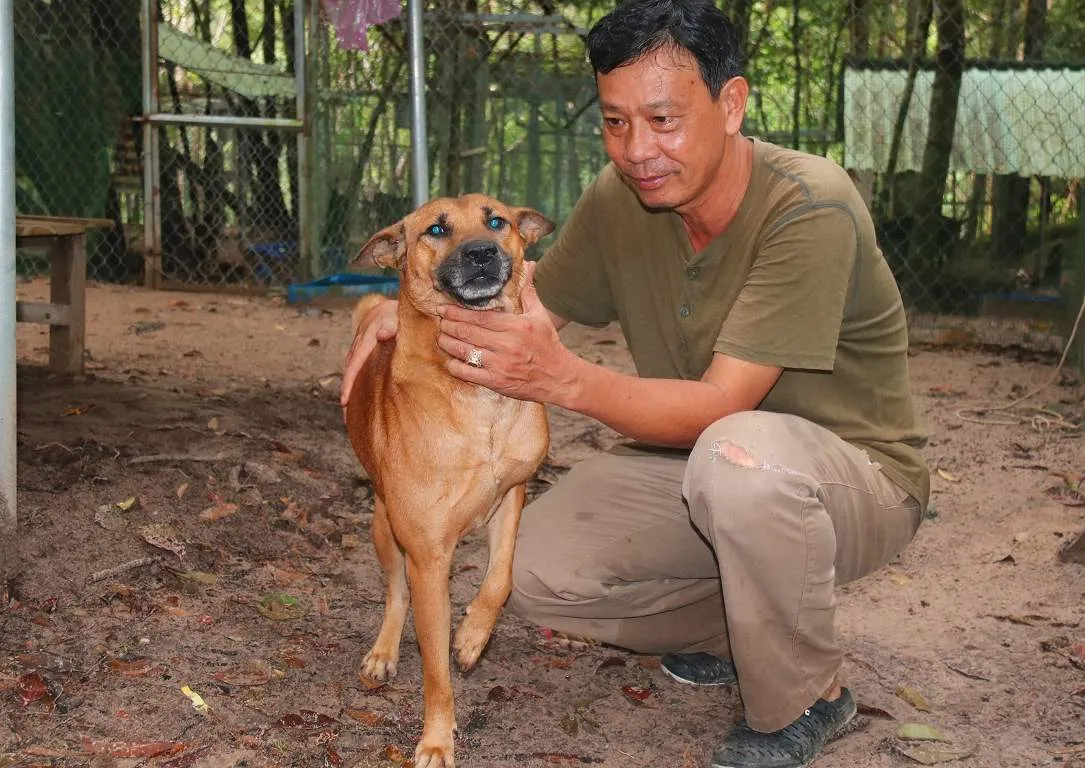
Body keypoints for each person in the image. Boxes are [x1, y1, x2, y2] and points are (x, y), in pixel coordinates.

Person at [340, 0, 930, 765]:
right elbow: (529, 304)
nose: (637, 148)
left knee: (736, 459)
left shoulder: (808, 206)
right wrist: (401, 315)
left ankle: (804, 696)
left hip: (854, 479)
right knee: (544, 568)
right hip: (705, 464)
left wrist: (562, 379)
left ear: (731, 103)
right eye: (615, 122)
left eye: (661, 120)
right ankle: (739, 625)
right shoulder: (623, 199)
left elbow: (718, 407)